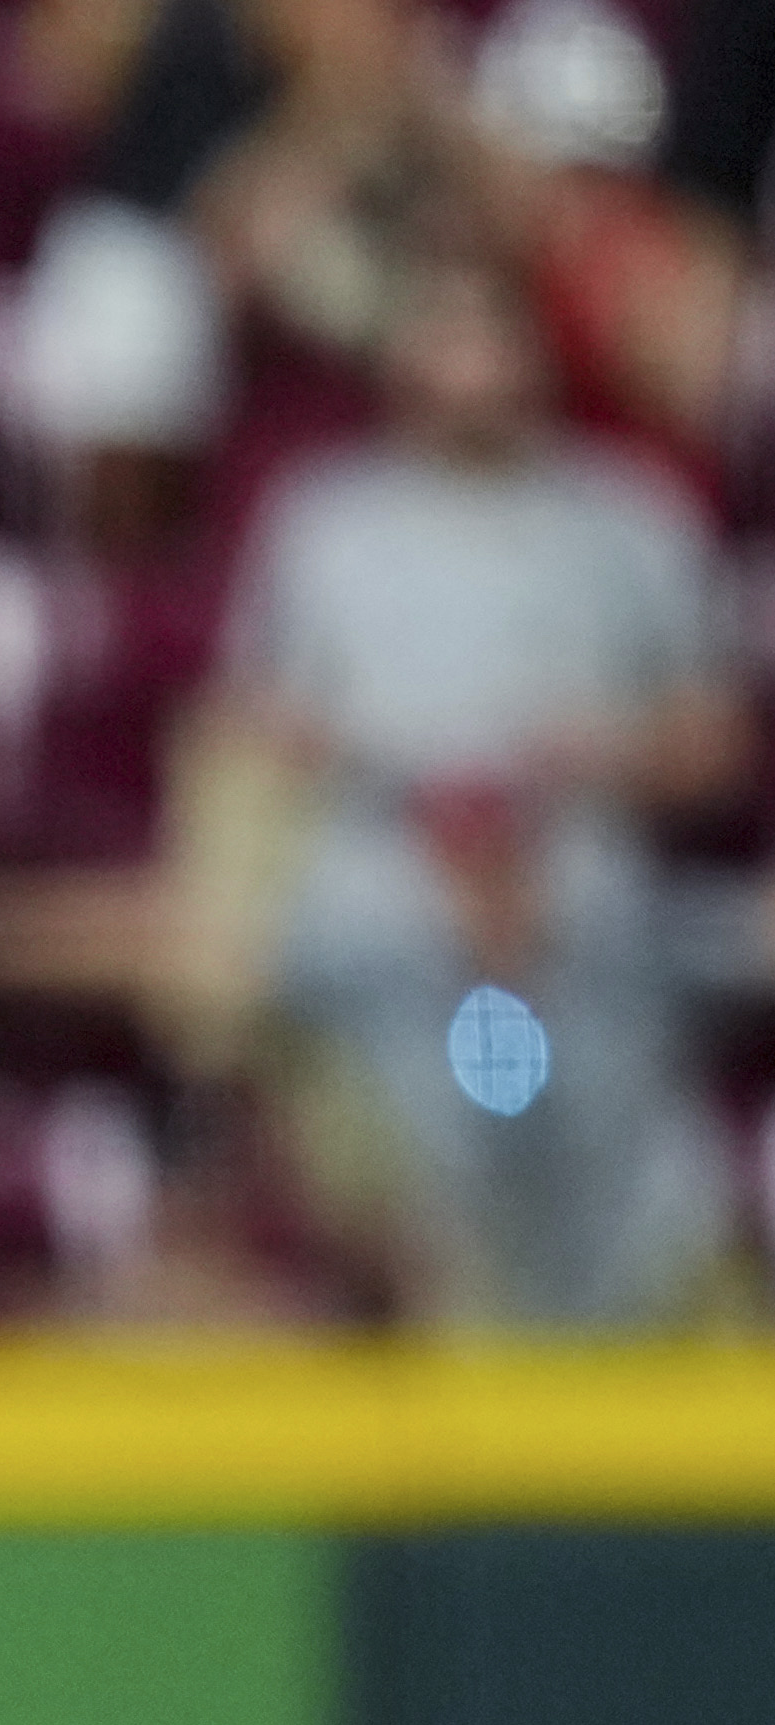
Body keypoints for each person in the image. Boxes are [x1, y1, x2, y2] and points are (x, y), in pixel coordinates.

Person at [217, 248, 745, 1321]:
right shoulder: (325, 519)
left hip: (576, 904)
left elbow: (712, 742)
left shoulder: (628, 518)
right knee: (410, 1097)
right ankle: (431, 1323)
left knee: (590, 1116)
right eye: (441, 331)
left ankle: (608, 1337)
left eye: (489, 332)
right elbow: (256, 722)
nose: (468, 362)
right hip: (384, 909)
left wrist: (590, 759)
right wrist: (412, 784)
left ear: (537, 351)